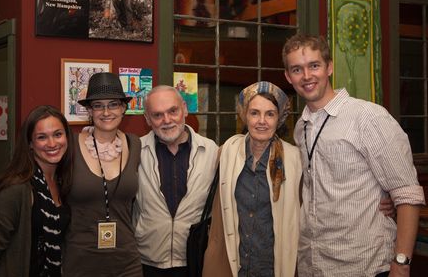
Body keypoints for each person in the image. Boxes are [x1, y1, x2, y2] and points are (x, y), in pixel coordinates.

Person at [282, 34, 426, 276]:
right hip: (314, 264)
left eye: (314, 66)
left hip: (364, 265)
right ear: (288, 77)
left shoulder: (368, 118)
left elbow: (407, 194)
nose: (306, 76)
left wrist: (401, 264)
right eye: (297, 69)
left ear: (329, 67)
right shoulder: (302, 127)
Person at [203, 81, 302, 277]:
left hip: (272, 268)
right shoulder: (227, 153)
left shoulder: (295, 160)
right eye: (255, 113)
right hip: (232, 266)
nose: (261, 121)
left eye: (270, 114)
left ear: (279, 118)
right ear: (244, 116)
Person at [0, 105, 74, 277]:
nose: (52, 143)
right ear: (30, 144)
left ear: (67, 137)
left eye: (58, 134)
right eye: (42, 137)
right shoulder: (15, 188)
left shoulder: (63, 182)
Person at [133, 85, 219, 276]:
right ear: (147, 119)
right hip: (147, 261)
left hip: (194, 260)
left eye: (173, 111)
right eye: (157, 115)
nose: (167, 120)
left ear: (185, 109)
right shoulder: (134, 151)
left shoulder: (212, 151)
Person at [62, 72, 142, 276]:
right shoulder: (70, 145)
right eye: (98, 105)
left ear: (123, 108)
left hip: (127, 262)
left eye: (113, 104)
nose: (106, 112)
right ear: (90, 110)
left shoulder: (135, 144)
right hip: (81, 261)